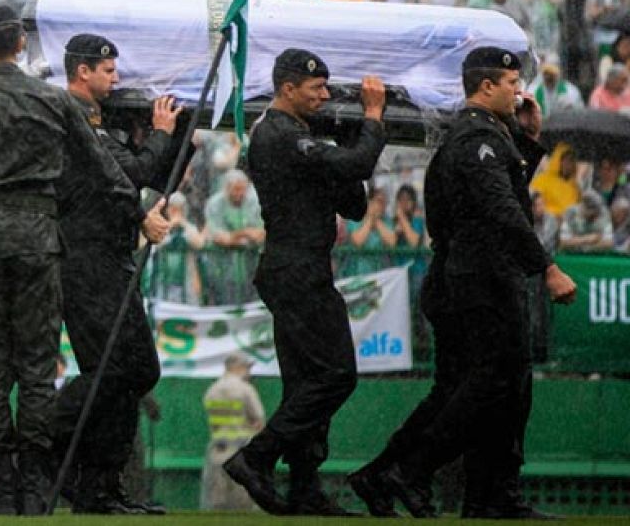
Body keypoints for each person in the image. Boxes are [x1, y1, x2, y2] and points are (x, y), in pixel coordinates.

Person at [0, 6, 165, 515]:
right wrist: (139, 214)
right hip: (40, 240)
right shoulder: (53, 101)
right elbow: (106, 173)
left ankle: (5, 486)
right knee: (36, 369)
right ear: (22, 48)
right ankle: (35, 483)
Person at [350, 48, 577, 519]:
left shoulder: (485, 135)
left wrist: (526, 136)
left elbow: (504, 191)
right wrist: (547, 267)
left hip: (473, 275)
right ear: (485, 86)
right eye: (512, 81)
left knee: (472, 389)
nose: (520, 90)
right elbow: (503, 210)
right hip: (482, 277)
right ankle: (414, 472)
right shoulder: (475, 139)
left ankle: (459, 488)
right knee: (493, 385)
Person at [225, 50, 387, 515]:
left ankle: (304, 486)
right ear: (287, 88)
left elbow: (352, 204)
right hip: (296, 269)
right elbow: (354, 168)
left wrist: (345, 136)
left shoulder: (303, 137)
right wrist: (372, 119)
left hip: (299, 268)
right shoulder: (278, 134)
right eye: (315, 87)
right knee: (336, 375)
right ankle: (256, 457)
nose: (324, 94)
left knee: (306, 382)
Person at [54, 34, 178, 513]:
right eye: (108, 70)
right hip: (86, 264)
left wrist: (168, 136)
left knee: (128, 373)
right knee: (121, 370)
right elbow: (129, 175)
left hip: (107, 260)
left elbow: (147, 174)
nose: (117, 78)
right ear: (82, 71)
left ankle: (101, 486)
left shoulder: (99, 124)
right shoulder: (75, 121)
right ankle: (44, 435)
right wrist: (163, 133)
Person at [200, 353, 263, 512]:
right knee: (243, 503)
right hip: (241, 451)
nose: (249, 371)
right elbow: (258, 420)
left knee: (216, 502)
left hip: (218, 450)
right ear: (238, 367)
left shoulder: (212, 390)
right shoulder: (245, 389)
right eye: (247, 367)